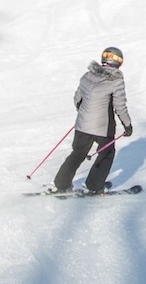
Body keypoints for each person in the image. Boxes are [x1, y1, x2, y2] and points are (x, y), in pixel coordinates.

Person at [51, 47, 133, 194]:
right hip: (102, 127)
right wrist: (127, 125)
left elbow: (77, 99)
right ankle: (94, 186)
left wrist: (84, 114)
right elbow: (119, 106)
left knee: (77, 153)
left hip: (82, 124)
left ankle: (60, 184)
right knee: (106, 153)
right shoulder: (116, 81)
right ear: (118, 62)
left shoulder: (87, 75)